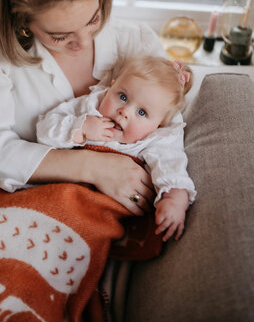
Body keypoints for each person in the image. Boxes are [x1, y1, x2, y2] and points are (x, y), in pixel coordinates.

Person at [0, 0, 182, 217]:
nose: (84, 42)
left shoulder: (135, 43)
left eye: (93, 19)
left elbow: (168, 131)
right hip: (29, 196)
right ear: (21, 23)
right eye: (60, 36)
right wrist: (91, 166)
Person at [36, 55, 196, 242]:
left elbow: (172, 168)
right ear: (111, 86)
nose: (124, 112)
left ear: (158, 125)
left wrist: (174, 201)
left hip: (100, 212)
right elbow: (43, 129)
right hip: (58, 190)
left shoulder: (153, 141)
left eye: (142, 112)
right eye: (122, 97)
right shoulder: (89, 107)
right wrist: (81, 128)